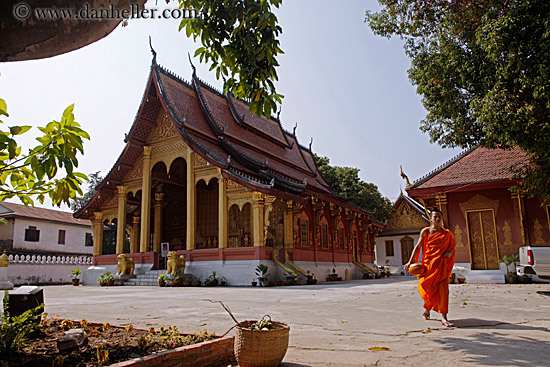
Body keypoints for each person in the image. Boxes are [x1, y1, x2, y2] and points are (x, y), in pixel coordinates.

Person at [405, 207, 456, 327]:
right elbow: (417, 247)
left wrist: (449, 253)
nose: (437, 219)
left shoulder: (447, 234)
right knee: (427, 289)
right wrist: (410, 261)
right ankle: (427, 310)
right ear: (431, 218)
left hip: (441, 265)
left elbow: (451, 249)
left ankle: (444, 317)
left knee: (443, 291)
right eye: (435, 217)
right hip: (429, 266)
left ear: (442, 218)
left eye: (439, 216)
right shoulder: (426, 231)